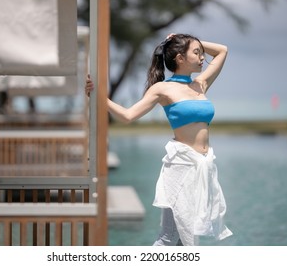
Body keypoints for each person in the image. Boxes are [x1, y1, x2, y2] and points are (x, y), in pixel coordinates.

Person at [85, 33, 232, 246]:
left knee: (187, 237)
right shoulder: (162, 88)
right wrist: (99, 97)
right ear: (180, 58)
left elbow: (222, 50)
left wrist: (190, 39)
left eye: (201, 53)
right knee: (169, 237)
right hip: (180, 167)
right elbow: (128, 116)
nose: (202, 58)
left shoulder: (200, 84)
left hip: (203, 167)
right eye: (197, 53)